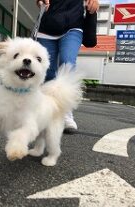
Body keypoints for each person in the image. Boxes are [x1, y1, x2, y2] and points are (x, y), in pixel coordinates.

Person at [36, 0, 99, 130]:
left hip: (73, 25)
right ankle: (47, 112)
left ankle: (66, 112)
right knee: (47, 72)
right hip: (46, 27)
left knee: (67, 63)